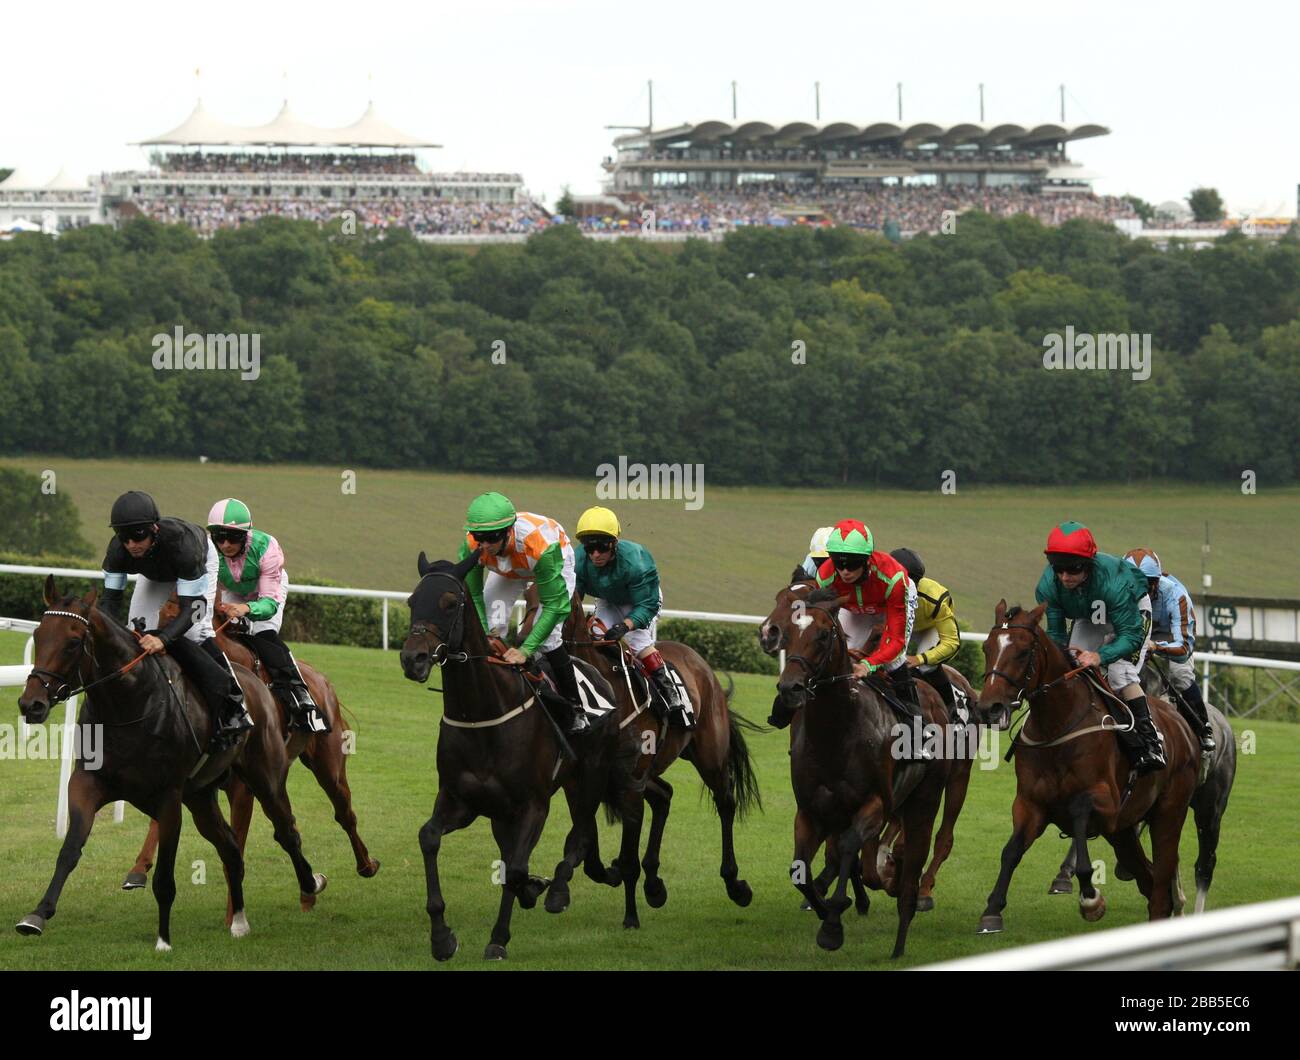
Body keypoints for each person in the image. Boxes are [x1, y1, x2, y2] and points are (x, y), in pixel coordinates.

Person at [100, 490, 252, 750]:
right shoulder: (118, 551)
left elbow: (193, 608)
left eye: (139, 536)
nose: (131, 544)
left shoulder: (183, 546)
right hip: (154, 571)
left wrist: (164, 638)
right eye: (124, 537)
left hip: (197, 561)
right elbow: (110, 604)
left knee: (194, 633)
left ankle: (232, 703)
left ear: (154, 529)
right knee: (132, 629)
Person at [1035, 521, 1165, 774]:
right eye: (1058, 569)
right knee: (1071, 667)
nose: (1064, 577)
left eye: (1072, 570)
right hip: (1089, 613)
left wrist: (1100, 655)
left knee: (1119, 672)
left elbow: (1129, 636)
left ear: (1088, 564)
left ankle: (1150, 741)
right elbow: (1056, 634)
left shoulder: (1114, 583)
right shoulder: (1049, 586)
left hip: (1130, 613)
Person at [457, 492, 588, 735]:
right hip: (508, 568)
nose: (483, 545)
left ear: (508, 531)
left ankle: (576, 707)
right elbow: (474, 596)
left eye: (490, 538)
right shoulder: (473, 545)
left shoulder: (541, 546)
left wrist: (525, 650)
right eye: (478, 537)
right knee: (492, 629)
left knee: (548, 638)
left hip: (548, 557)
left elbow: (555, 607)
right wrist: (486, 631)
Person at [207, 498, 328, 733]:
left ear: (246, 535)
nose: (225, 544)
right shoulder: (209, 550)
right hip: (233, 590)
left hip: (268, 591)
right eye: (219, 537)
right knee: (226, 631)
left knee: (263, 632)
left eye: (233, 537)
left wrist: (247, 609)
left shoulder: (266, 547)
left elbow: (269, 604)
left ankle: (300, 695)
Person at [815, 519, 928, 760]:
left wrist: (869, 664)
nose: (844, 571)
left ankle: (917, 735)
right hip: (855, 607)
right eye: (839, 563)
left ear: (867, 560)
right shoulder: (825, 576)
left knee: (893, 660)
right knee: (840, 653)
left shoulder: (894, 577)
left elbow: (895, 641)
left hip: (889, 602)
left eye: (852, 564)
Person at [572, 505, 692, 729]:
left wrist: (626, 625)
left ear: (613, 544)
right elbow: (573, 600)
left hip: (642, 600)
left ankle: (670, 691)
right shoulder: (578, 560)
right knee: (597, 636)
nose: (595, 554)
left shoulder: (636, 560)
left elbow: (648, 604)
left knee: (637, 642)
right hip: (608, 599)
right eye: (590, 548)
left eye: (601, 548)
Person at [1124, 548, 1214, 754]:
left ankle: (1202, 727)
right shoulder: (1118, 590)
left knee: (1179, 675)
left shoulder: (1176, 596)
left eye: (1144, 584)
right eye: (1131, 582)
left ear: (1156, 582)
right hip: (1137, 633)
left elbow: (1183, 647)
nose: (1137, 591)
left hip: (1170, 636)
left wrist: (1155, 646)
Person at [889, 547, 964, 721]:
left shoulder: (935, 597)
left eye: (913, 584)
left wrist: (920, 659)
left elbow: (951, 643)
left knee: (925, 666)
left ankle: (953, 711)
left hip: (928, 629)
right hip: (901, 624)